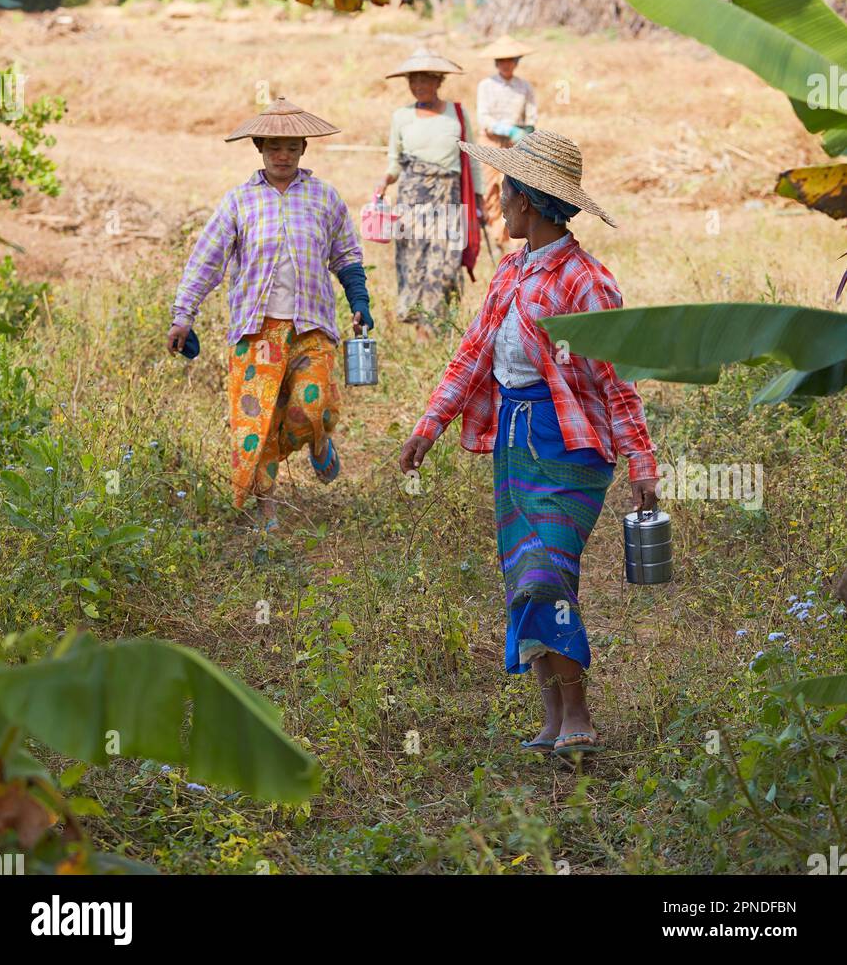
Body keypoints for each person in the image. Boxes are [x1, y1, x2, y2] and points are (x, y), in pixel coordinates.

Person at [398, 130, 658, 756]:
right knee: (523, 580)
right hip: (515, 442)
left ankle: (579, 714)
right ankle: (553, 719)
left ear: (529, 203)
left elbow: (615, 380)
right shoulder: (510, 271)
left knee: (547, 575)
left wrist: (643, 462)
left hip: (566, 448)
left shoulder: (585, 282)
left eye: (505, 192)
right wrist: (429, 425)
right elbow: (473, 353)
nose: (498, 203)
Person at [167, 98, 373, 524]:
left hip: (311, 327)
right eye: (275, 147)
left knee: (313, 408)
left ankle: (319, 443)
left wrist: (360, 302)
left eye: (292, 147)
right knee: (256, 424)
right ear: (259, 147)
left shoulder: (324, 198)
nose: (283, 155)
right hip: (256, 333)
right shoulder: (239, 202)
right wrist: (183, 315)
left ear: (303, 150)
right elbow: (206, 261)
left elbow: (347, 256)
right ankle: (267, 509)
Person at [376, 47, 484, 342]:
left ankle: (435, 326)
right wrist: (384, 181)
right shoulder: (401, 117)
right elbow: (395, 161)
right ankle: (422, 330)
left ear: (438, 81)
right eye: (413, 81)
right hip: (411, 199)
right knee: (413, 263)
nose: (419, 87)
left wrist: (479, 199)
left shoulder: (457, 114)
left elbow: (472, 160)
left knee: (445, 266)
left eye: (425, 80)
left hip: (448, 200)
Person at [477, 36, 538, 251]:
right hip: (491, 143)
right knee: (490, 191)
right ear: (496, 63)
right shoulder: (486, 85)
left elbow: (531, 118)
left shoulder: (524, 87)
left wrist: (524, 134)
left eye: (510, 60)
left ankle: (516, 240)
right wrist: (505, 129)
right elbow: (483, 117)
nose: (506, 64)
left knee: (516, 191)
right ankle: (496, 238)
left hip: (516, 146)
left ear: (516, 61)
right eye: (502, 61)